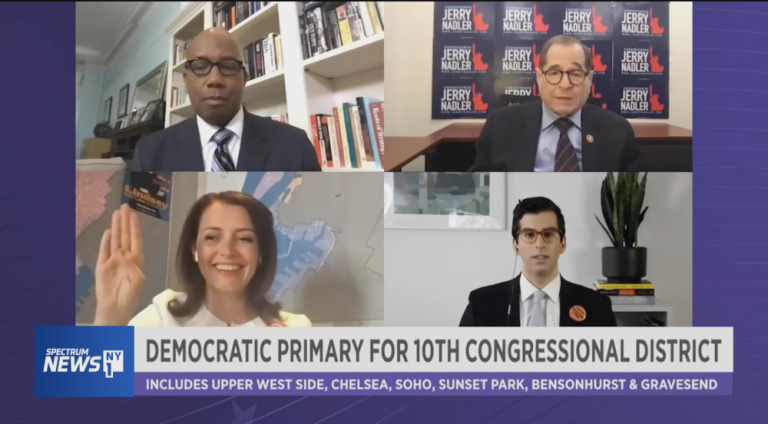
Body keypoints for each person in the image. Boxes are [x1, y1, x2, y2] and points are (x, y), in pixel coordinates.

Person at [93, 195, 311, 327]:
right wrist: (110, 316)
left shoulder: (294, 329)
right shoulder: (160, 318)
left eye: (244, 238)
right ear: (194, 249)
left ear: (262, 251)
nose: (227, 250)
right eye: (211, 237)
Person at [130, 28, 321, 172]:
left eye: (228, 67)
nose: (214, 80)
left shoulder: (295, 146)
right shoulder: (148, 153)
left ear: (244, 79)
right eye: (200, 66)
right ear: (186, 81)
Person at [470, 35, 638, 172]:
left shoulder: (618, 131)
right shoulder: (500, 124)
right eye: (554, 73)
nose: (565, 85)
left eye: (576, 73)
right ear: (539, 77)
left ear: (590, 79)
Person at [459, 197, 616, 327]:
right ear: (516, 245)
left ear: (563, 244)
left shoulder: (597, 306)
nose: (539, 244)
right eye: (529, 235)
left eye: (548, 234)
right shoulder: (481, 304)